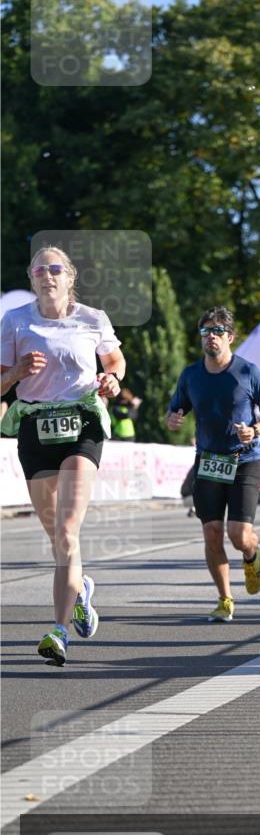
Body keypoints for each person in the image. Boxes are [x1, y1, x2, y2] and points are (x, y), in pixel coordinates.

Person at [0, 246, 125, 666]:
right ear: (32, 278)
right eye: (39, 269)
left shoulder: (92, 318)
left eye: (55, 268)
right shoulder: (15, 321)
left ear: (70, 277)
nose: (47, 275)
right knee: (57, 538)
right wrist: (16, 373)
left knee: (68, 532)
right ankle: (81, 590)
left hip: (81, 424)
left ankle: (57, 631)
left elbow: (115, 361)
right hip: (35, 428)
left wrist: (111, 380)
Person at [166, 306, 260, 622]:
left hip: (244, 460)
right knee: (212, 533)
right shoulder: (191, 375)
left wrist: (254, 429)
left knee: (239, 534)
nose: (210, 337)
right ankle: (225, 599)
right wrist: (173, 418)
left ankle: (251, 555)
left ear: (230, 337)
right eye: (205, 332)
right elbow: (175, 410)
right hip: (208, 461)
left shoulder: (247, 372)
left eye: (217, 331)